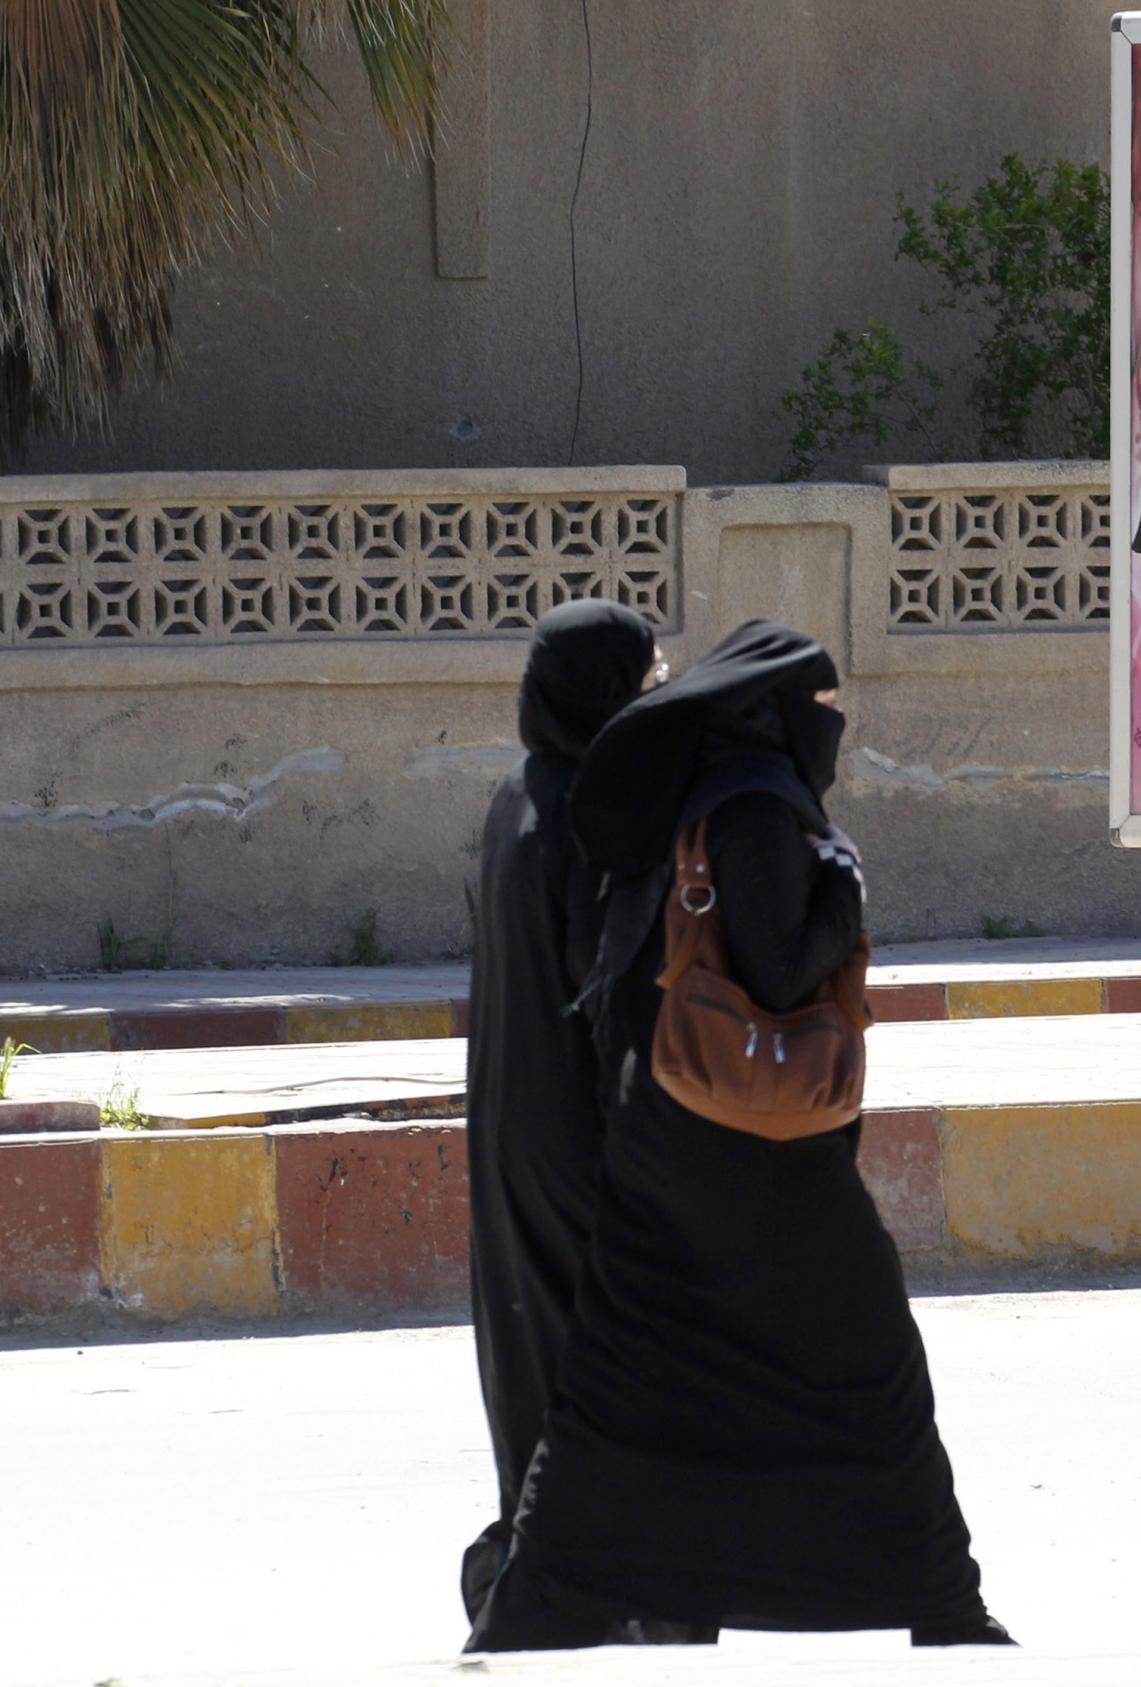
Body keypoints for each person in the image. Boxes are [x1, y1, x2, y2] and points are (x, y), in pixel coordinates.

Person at [467, 620, 1011, 1652]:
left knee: (599, 1387)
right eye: (821, 705)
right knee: (855, 1374)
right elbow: (766, 963)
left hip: (585, 1141)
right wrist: (842, 885)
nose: (834, 724)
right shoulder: (740, 804)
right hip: (670, 1148)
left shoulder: (575, 802)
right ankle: (940, 1609)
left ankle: (537, 1600)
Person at [459, 600, 662, 1622]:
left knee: (535, 1353)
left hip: (505, 1124)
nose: (658, 690)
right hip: (577, 1132)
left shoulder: (516, 795)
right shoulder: (590, 809)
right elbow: (604, 986)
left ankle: (533, 1565)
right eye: (646, 676)